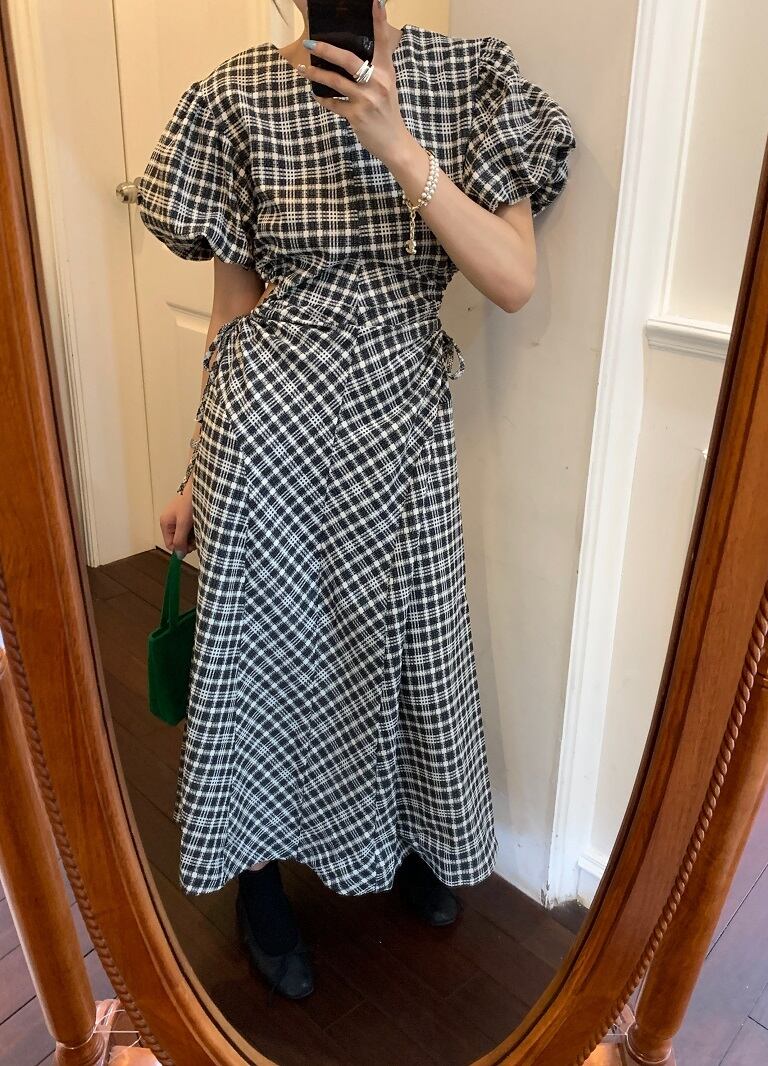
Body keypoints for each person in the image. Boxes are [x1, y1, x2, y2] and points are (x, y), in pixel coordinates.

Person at [138, 0, 575, 1002]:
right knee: (265, 652)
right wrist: (194, 471)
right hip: (266, 424)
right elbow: (233, 308)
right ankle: (257, 878)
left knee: (412, 643)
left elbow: (512, 278)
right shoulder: (236, 94)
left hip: (400, 416)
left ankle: (411, 835)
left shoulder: (469, 79)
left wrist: (393, 138)